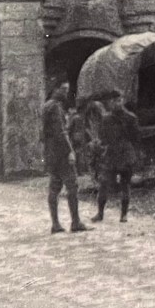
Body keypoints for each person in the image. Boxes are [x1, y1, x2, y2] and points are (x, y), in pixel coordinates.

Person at [43, 81, 90, 234]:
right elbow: (61, 132)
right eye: (63, 89)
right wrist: (70, 150)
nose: (66, 93)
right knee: (72, 185)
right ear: (55, 89)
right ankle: (75, 222)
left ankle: (55, 224)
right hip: (61, 153)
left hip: (50, 152)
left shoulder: (45, 106)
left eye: (67, 90)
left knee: (54, 187)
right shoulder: (56, 107)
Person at [91, 89, 140, 223]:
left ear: (122, 100)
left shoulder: (131, 118)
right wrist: (99, 144)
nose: (116, 103)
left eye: (119, 100)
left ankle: (123, 214)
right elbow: (103, 137)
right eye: (113, 101)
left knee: (125, 185)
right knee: (103, 184)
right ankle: (100, 213)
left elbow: (136, 138)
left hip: (125, 154)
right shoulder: (106, 119)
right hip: (111, 155)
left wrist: (134, 155)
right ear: (110, 103)